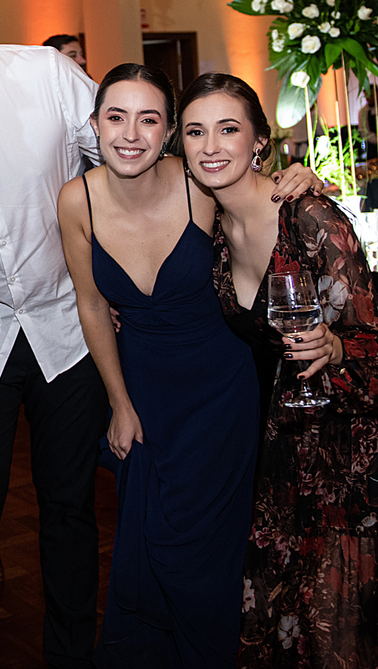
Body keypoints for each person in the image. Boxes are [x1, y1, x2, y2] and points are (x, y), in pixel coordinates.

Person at [0, 0, 319, 668]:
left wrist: (270, 176)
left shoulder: (43, 76)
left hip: (67, 332)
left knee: (70, 511)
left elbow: (128, 141)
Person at [57, 64, 260, 667]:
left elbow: (260, 202)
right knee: (155, 543)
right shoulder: (78, 200)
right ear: (94, 125)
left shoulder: (200, 184)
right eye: (115, 117)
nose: (130, 134)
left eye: (149, 119)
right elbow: (92, 304)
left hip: (222, 394)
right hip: (145, 396)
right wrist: (119, 403)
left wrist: (295, 179)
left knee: (213, 551)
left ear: (169, 131)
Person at [179, 73, 378, 668]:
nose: (211, 146)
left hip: (345, 451)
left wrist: (336, 349)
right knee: (289, 613)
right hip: (282, 445)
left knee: (337, 623)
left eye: (228, 129)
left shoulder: (310, 218)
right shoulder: (210, 226)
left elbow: (372, 339)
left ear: (260, 141)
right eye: (195, 131)